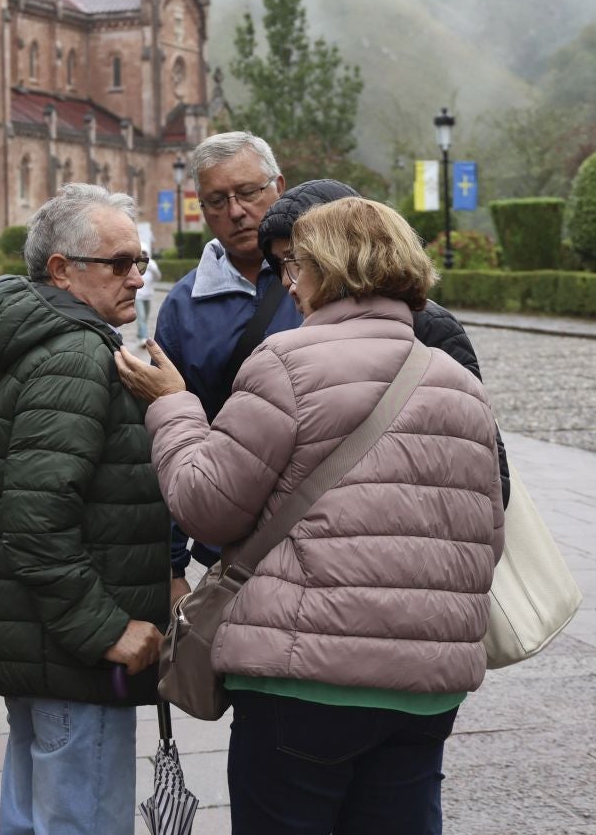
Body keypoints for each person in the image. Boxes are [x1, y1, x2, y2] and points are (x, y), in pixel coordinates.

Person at [117, 198, 504, 835]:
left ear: (330, 268)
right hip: (428, 686)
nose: (289, 282)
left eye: (296, 265)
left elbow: (207, 506)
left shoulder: (287, 363)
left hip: (306, 679)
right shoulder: (457, 381)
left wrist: (175, 408)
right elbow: (487, 534)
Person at [0, 185, 171, 835]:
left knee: (34, 814)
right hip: (75, 653)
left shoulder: (43, 339)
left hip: (41, 643)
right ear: (61, 269)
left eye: (139, 260)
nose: (137, 277)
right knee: (82, 818)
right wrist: (107, 629)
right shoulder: (78, 356)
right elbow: (36, 519)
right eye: (119, 263)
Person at [258, 178, 511, 505]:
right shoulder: (298, 334)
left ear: (341, 250)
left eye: (297, 261)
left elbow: (489, 470)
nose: (286, 281)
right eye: (281, 264)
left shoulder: (429, 326)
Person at [152, 132, 296, 598]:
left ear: (279, 185)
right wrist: (172, 569)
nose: (235, 211)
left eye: (249, 192)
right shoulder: (183, 307)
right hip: (232, 549)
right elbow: (167, 435)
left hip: (331, 527)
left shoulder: (332, 278)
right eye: (217, 200)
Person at [133, 239, 160, 342]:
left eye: (144, 253)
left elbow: (158, 277)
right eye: (141, 253)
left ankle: (140, 334)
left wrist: (152, 268)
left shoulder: (152, 263)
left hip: (148, 295)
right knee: (142, 316)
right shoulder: (135, 263)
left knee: (146, 317)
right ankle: (144, 338)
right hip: (138, 295)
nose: (143, 255)